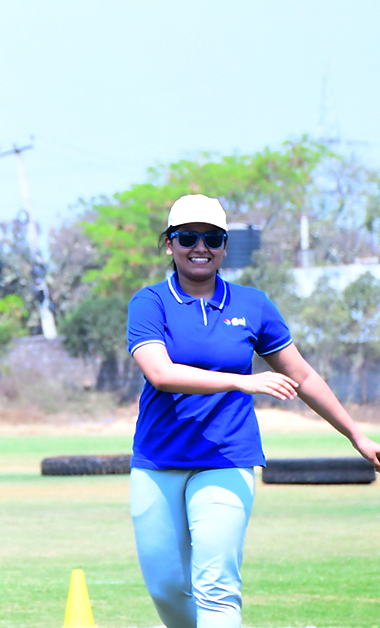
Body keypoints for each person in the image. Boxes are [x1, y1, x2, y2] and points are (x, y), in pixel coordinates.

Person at [126, 193, 380, 628]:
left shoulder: (252, 304)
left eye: (212, 238)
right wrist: (242, 381)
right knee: (166, 587)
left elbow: (303, 377)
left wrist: (355, 434)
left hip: (228, 459)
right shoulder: (150, 302)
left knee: (217, 588)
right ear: (169, 244)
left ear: (225, 246)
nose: (199, 247)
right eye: (187, 237)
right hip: (158, 460)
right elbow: (160, 374)